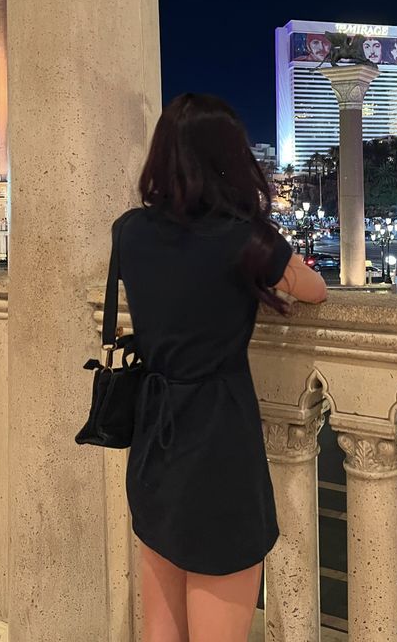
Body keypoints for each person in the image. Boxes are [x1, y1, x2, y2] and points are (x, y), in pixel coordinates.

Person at [115, 93, 327, 642]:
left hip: (154, 443)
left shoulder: (130, 232)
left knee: (162, 630)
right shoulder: (244, 238)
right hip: (219, 449)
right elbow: (314, 290)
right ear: (230, 159)